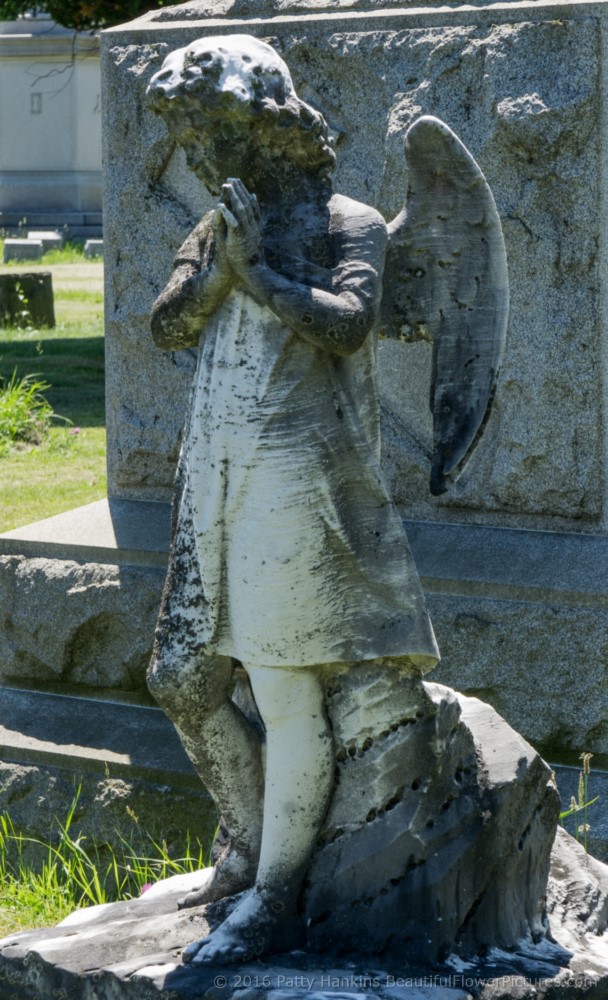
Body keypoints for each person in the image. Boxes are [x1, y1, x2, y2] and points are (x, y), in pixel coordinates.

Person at [145, 34, 439, 966]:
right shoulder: (215, 224)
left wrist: (261, 277)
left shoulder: (342, 220)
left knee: (282, 689)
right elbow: (167, 323)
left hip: (291, 473)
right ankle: (248, 836)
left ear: (259, 126)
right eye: (187, 140)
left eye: (206, 134)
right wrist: (218, 271)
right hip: (215, 470)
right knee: (182, 678)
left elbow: (351, 328)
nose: (196, 158)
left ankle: (274, 895)